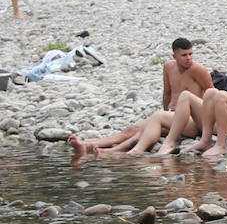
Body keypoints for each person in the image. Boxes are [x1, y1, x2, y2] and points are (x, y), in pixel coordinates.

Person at [68, 37, 213, 155]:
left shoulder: (198, 70)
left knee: (143, 131)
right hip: (171, 114)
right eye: (184, 55)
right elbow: (167, 92)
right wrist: (166, 111)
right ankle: (87, 145)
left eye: (190, 54)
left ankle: (113, 152)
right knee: (130, 131)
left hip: (190, 118)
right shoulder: (168, 67)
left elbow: (211, 94)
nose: (189, 58)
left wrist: (206, 128)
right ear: (174, 56)